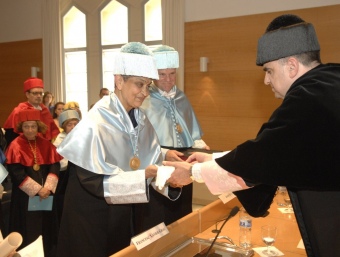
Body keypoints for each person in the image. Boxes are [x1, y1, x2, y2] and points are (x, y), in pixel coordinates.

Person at [164, 14, 340, 257]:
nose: (266, 80)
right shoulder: (330, 81)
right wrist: (214, 159)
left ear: (291, 66)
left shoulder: (308, 98)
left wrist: (192, 172)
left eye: (268, 70)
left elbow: (260, 160)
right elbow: (274, 151)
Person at [56, 42, 183, 257]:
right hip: (92, 219)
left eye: (148, 85)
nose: (144, 92)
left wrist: (169, 180)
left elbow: (146, 160)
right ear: (119, 81)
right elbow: (93, 182)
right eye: (139, 84)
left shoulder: (140, 117)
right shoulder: (96, 122)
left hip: (124, 214)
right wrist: (143, 176)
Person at [135, 45, 209, 232]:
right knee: (158, 217)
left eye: (172, 74)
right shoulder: (144, 99)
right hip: (157, 159)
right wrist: (164, 153)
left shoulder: (180, 96)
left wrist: (199, 144)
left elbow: (191, 130)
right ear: (153, 74)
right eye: (162, 74)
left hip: (184, 159)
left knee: (182, 214)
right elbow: (138, 140)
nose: (168, 80)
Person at [5, 108, 62, 257]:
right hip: (25, 198)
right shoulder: (15, 146)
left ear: (38, 127)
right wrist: (38, 190)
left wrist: (48, 188)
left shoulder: (45, 144)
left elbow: (55, 165)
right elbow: (16, 173)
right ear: (21, 128)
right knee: (29, 230)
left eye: (33, 126)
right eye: (26, 126)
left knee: (47, 229)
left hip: (46, 196)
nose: (30, 130)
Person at [3, 78, 60, 146]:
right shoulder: (19, 111)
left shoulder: (45, 111)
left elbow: (49, 135)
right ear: (27, 94)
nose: (39, 96)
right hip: (23, 148)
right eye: (35, 93)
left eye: (41, 93)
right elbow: (11, 136)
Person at [52, 109, 80, 224]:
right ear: (64, 126)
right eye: (70, 125)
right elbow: (60, 162)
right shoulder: (59, 141)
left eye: (75, 124)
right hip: (64, 176)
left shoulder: (81, 136)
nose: (73, 127)